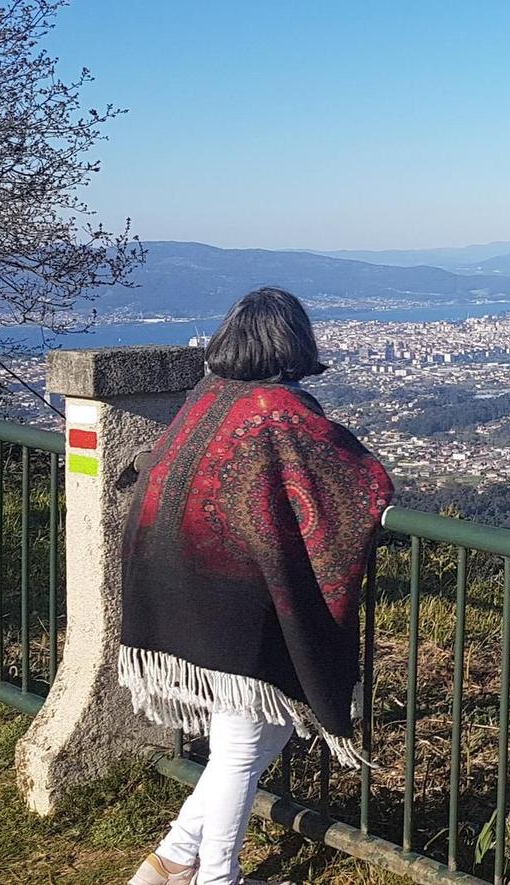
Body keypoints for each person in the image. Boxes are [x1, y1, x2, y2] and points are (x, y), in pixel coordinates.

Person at [122, 287, 393, 885]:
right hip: (234, 601)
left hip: (172, 583)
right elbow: (360, 479)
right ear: (294, 341)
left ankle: (169, 860)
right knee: (244, 745)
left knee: (253, 739)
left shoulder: (208, 398)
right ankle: (218, 877)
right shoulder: (280, 412)